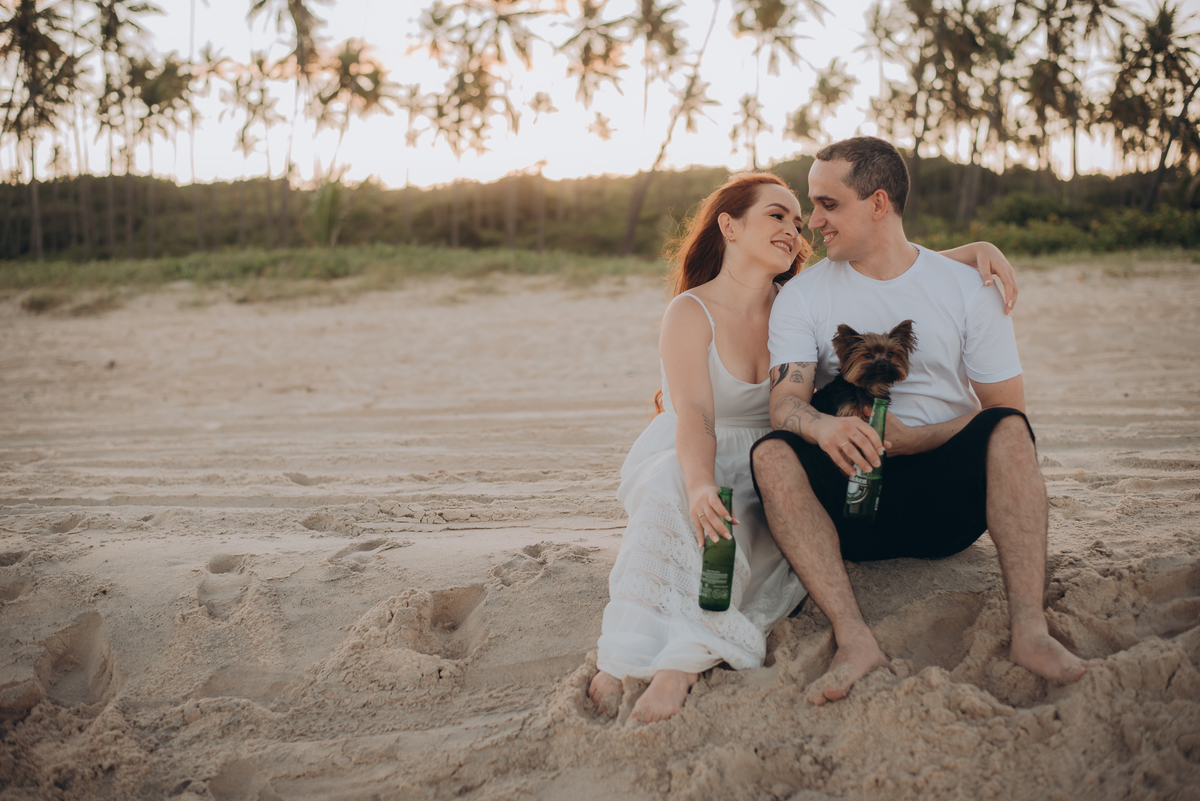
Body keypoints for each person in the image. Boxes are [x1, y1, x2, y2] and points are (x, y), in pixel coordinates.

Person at [588, 171, 1020, 723]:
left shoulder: (800, 299)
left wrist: (975, 250)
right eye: (778, 215)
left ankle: (679, 666)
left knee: (751, 533)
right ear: (729, 225)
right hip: (691, 445)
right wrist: (699, 485)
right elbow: (695, 416)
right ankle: (625, 654)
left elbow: (891, 259)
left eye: (798, 221)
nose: (795, 230)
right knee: (674, 494)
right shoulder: (689, 312)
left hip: (769, 448)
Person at [750, 136, 1086, 708]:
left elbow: (1009, 415)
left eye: (830, 204)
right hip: (846, 505)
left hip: (945, 510)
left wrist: (914, 441)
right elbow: (786, 405)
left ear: (878, 202)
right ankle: (854, 639)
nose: (815, 221)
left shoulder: (967, 288)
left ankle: (1030, 631)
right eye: (813, 205)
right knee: (771, 452)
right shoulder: (802, 296)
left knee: (1007, 434)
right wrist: (825, 428)